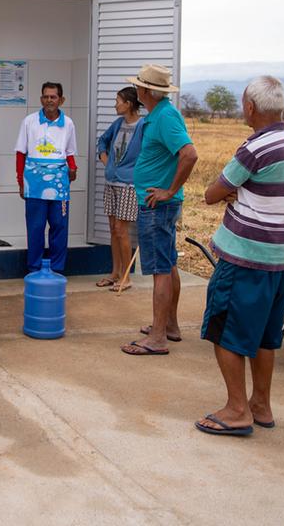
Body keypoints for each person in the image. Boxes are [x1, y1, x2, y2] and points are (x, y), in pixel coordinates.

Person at [195, 75, 284, 436]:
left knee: (226, 333)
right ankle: (260, 404)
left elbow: (212, 193)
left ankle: (237, 410)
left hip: (244, 260)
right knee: (263, 337)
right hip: (279, 262)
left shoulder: (254, 148)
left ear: (251, 107)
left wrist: (231, 194)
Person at [120, 64, 198, 356]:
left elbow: (189, 154)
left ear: (145, 91)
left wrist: (170, 190)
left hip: (158, 205)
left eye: (140, 86)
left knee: (160, 270)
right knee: (169, 264)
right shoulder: (160, 115)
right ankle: (169, 326)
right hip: (159, 204)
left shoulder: (165, 117)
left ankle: (157, 337)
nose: (137, 89)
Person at [14, 82, 78, 272]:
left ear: (61, 100)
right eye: (46, 96)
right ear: (41, 99)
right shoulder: (29, 121)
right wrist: (20, 182)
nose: (49, 100)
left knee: (59, 226)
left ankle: (57, 269)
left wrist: (73, 168)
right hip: (33, 183)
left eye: (53, 97)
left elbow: (70, 152)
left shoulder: (68, 123)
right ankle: (34, 269)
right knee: (35, 227)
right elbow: (20, 153)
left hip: (59, 184)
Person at [95, 86, 144, 292]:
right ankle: (115, 274)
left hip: (128, 185)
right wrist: (106, 161)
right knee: (114, 231)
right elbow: (102, 142)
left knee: (122, 231)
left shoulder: (144, 126)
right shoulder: (118, 124)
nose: (115, 105)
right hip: (112, 182)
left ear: (129, 104)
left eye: (118, 101)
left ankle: (126, 276)